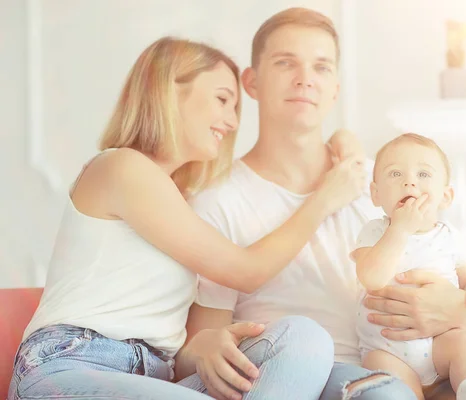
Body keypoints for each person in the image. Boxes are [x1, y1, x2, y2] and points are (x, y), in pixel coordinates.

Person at [180, 6, 466, 400]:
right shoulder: (220, 201)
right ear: (251, 82)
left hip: (434, 358)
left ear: (335, 88)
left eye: (321, 66)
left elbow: (465, 295)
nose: (306, 79)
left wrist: (460, 311)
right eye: (286, 63)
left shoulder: (385, 179)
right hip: (326, 374)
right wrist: (203, 350)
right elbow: (201, 342)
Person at [8, 36, 366, 400]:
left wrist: (205, 348)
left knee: (303, 339)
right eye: (223, 99)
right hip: (69, 365)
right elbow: (246, 271)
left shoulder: (180, 201)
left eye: (236, 108)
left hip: (155, 377)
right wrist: (325, 199)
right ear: (170, 91)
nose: (231, 122)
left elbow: (173, 347)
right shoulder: (120, 168)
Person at [352, 133, 466, 400]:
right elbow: (371, 277)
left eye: (423, 174)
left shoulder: (450, 237)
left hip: (441, 345)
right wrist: (400, 229)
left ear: (446, 196)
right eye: (395, 174)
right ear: (376, 194)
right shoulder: (374, 232)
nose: (409, 181)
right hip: (387, 349)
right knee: (385, 378)